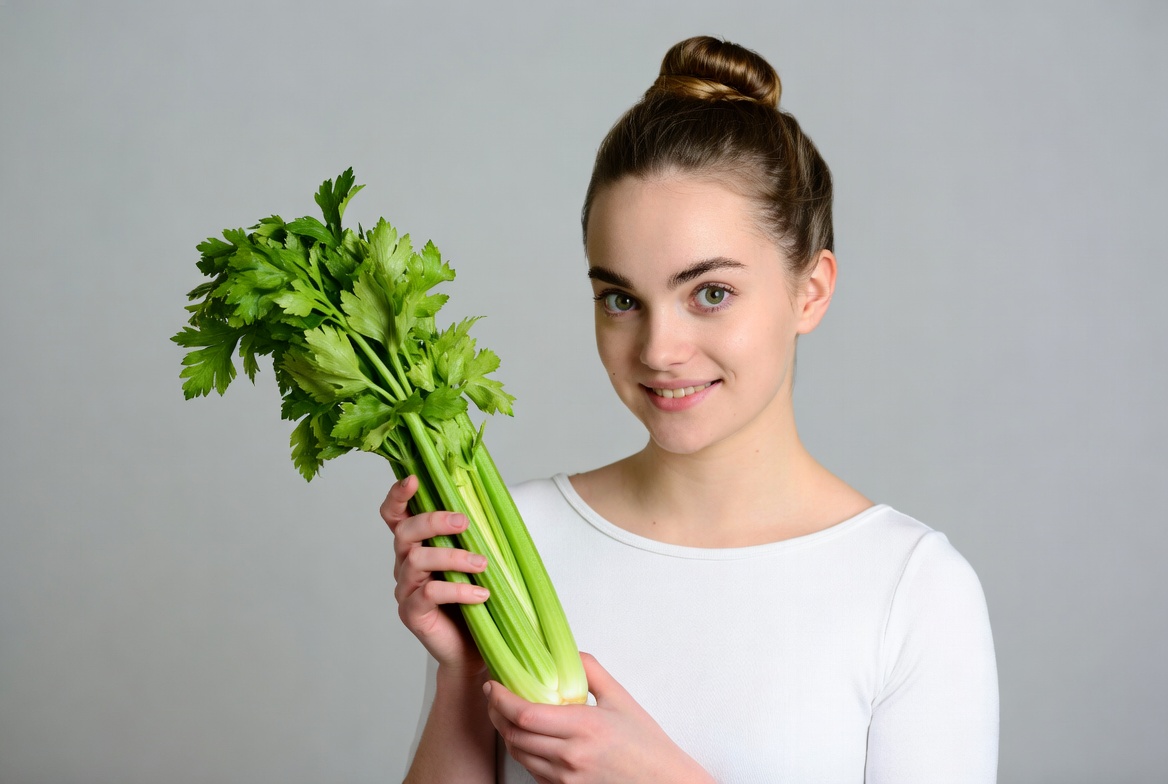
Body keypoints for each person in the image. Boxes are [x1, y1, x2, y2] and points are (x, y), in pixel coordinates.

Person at [382, 35, 999, 784]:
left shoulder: (912, 590)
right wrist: (460, 676)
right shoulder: (515, 544)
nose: (659, 350)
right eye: (620, 299)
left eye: (710, 293)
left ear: (811, 290)